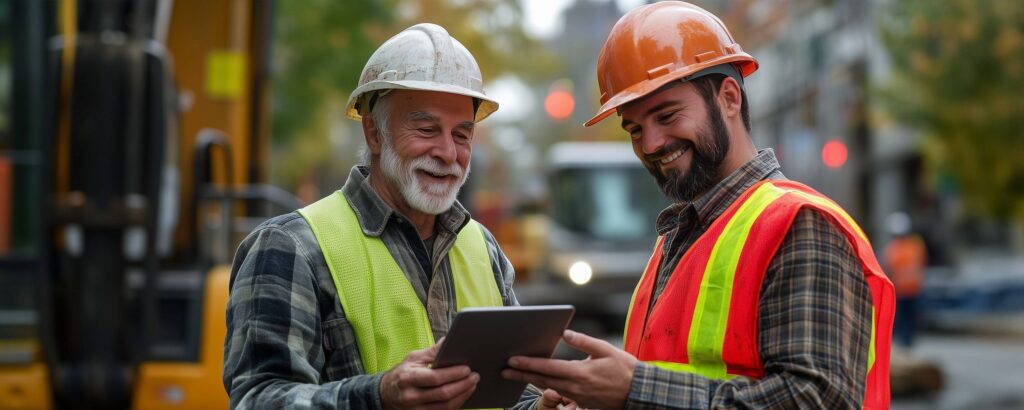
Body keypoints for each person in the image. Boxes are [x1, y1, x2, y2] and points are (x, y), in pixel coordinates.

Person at [502, 2, 895, 409]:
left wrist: (633, 389)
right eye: (635, 129)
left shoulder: (800, 224)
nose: (651, 144)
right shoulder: (681, 238)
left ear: (728, 98)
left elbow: (818, 400)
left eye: (667, 115)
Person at [223, 23, 561, 410]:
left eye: (462, 134)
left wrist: (541, 407)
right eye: (426, 128)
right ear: (375, 134)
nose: (448, 153)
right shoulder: (291, 248)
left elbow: (509, 394)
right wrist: (380, 396)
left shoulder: (482, 248)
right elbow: (258, 399)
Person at [883, 212, 927, 348]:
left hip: (909, 289)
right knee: (904, 319)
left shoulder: (900, 248)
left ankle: (906, 342)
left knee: (907, 318)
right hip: (905, 289)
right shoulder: (912, 246)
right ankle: (904, 342)